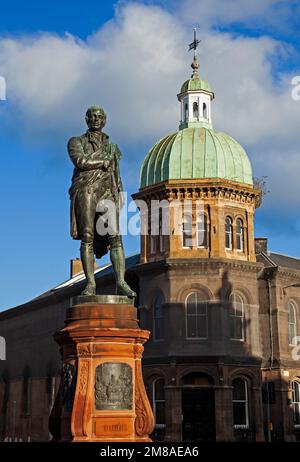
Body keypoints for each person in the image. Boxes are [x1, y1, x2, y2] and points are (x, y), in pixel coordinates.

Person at [67, 106, 136, 297]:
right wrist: (102, 162)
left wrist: (119, 194)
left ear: (104, 120)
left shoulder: (112, 146)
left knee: (116, 237)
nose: (96, 119)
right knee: (87, 236)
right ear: (86, 119)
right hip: (86, 189)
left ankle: (121, 282)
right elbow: (80, 162)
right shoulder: (76, 141)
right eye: (92, 116)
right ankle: (90, 284)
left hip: (107, 192)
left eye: (100, 117)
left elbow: (116, 174)